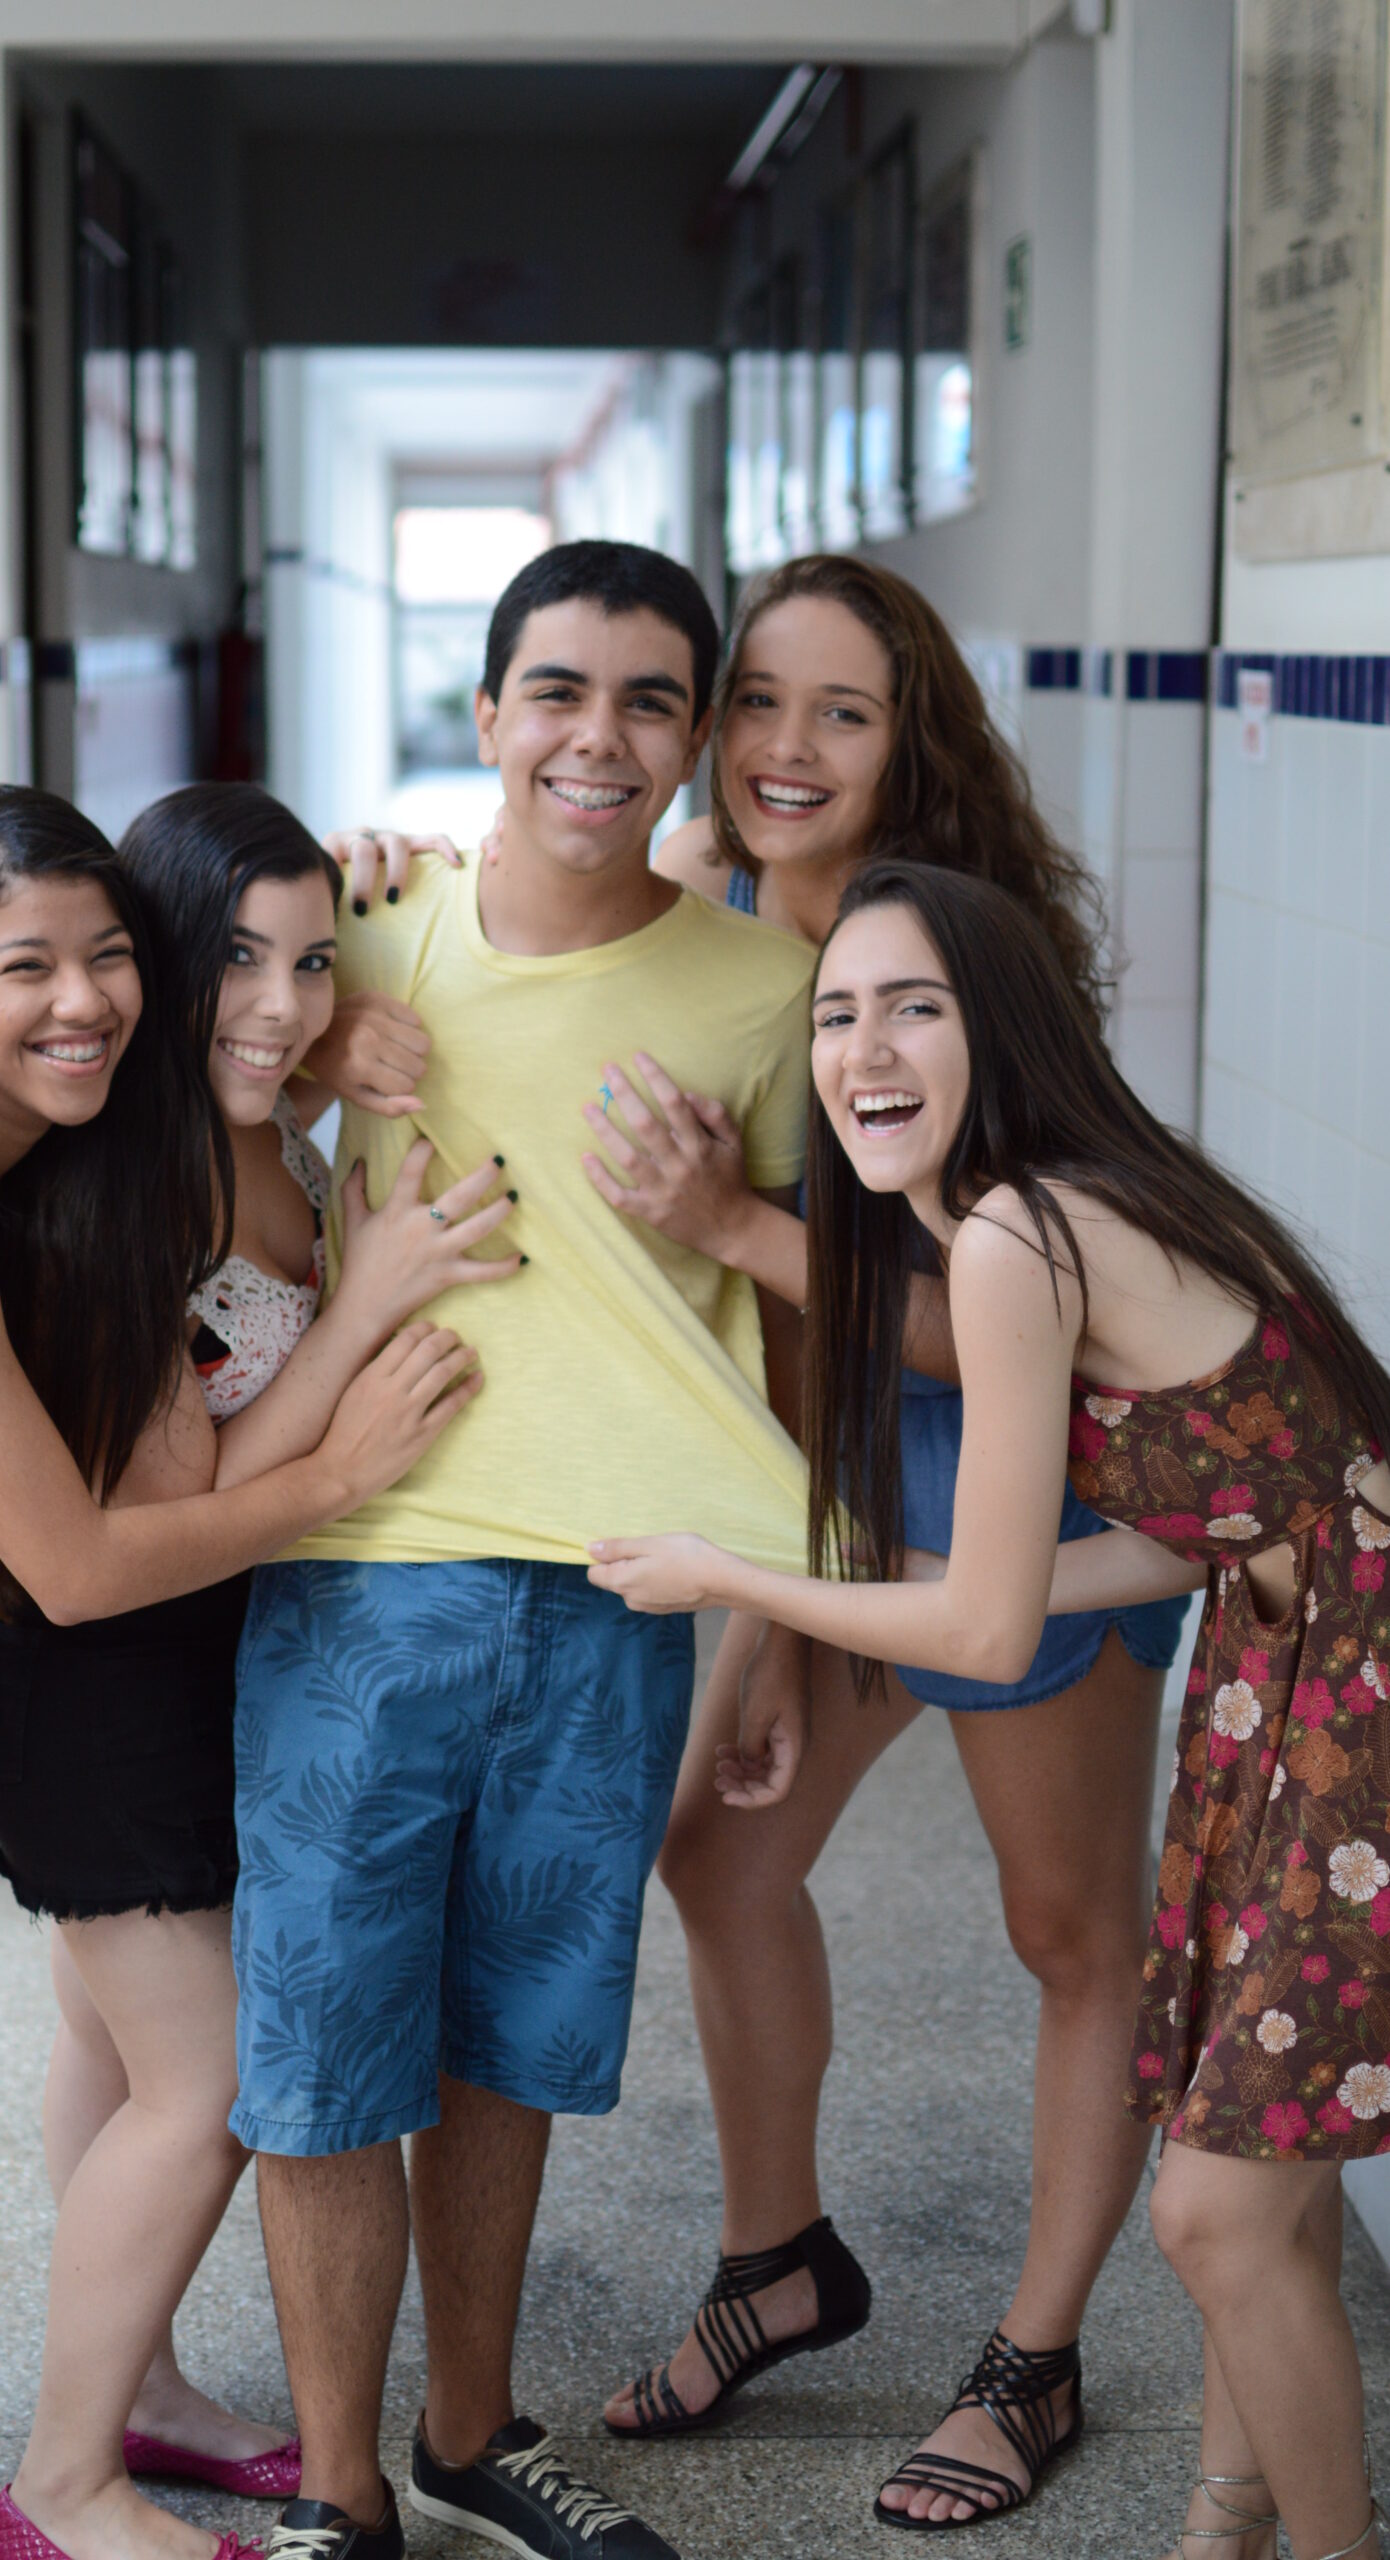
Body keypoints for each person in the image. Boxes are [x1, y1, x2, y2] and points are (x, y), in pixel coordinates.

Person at [338, 554, 1189, 2526]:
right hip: (832, 1476)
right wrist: (366, 886)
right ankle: (776, 2258)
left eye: (842, 712)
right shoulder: (709, 919)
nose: (784, 747)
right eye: (758, 703)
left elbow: (1011, 1317)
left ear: (910, 743)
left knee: (1066, 1930)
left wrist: (727, 1224)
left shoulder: (963, 962)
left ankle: (1035, 2350)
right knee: (720, 1853)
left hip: (1018, 1465)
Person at [0, 783, 482, 2560]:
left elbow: (231, 1044)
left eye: (108, 957)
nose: (83, 1000)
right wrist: (340, 1472)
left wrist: (356, 933)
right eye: (26, 966)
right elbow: (75, 1561)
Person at [588, 856, 1390, 2560]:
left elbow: (982, 1622)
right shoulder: (1067, 1204)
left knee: (1215, 2214)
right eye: (834, 1015)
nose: (862, 1050)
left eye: (913, 1008)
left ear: (1002, 1026)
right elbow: (1199, 1526)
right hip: (1293, 1672)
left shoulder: (1023, 1235)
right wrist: (876, 1566)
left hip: (1352, 1692)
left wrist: (730, 1576)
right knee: (1265, 2179)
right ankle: (1225, 2523)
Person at [235, 540, 820, 2560]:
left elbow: (818, 1325)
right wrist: (308, 1045)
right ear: (484, 713)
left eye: (650, 698)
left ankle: (468, 2430)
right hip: (358, 1564)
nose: (599, 735)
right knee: (320, 2044)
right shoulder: (359, 926)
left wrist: (772, 1621)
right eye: (556, 689)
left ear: (695, 737)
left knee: (514, 2041)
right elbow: (168, 1072)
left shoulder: (767, 989)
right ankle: (335, 2492)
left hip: (623, 1586)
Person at [0, 784, 518, 2560]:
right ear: (160, 970)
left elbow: (313, 1023)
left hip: (180, 1648)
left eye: (312, 961)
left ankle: (147, 2390)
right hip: (80, 1669)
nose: (278, 1001)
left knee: (108, 2040)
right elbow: (180, 1497)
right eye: (236, 962)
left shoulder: (248, 1109)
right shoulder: (135, 1183)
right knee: (211, 2078)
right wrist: (368, 1308)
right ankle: (59, 2485)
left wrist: (378, 914)